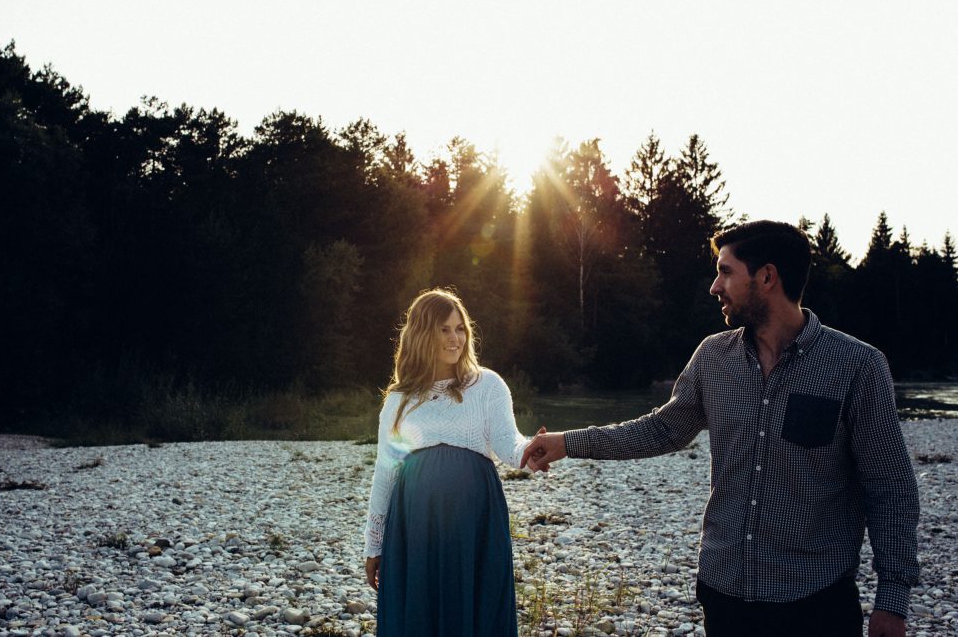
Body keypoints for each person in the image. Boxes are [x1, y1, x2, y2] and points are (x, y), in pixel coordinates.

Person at [521, 220, 920, 637]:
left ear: (766, 277)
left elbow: (890, 486)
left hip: (815, 602)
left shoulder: (857, 366)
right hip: (725, 596)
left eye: (725, 271)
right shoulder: (713, 358)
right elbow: (662, 430)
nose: (715, 286)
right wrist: (567, 443)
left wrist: (892, 601)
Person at [363, 288, 531, 636]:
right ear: (423, 334)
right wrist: (374, 545)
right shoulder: (400, 400)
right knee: (419, 608)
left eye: (460, 328)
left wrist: (533, 451)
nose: (455, 338)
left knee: (475, 604)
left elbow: (508, 443)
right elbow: (385, 473)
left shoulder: (487, 386)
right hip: (415, 522)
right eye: (444, 329)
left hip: (475, 516)